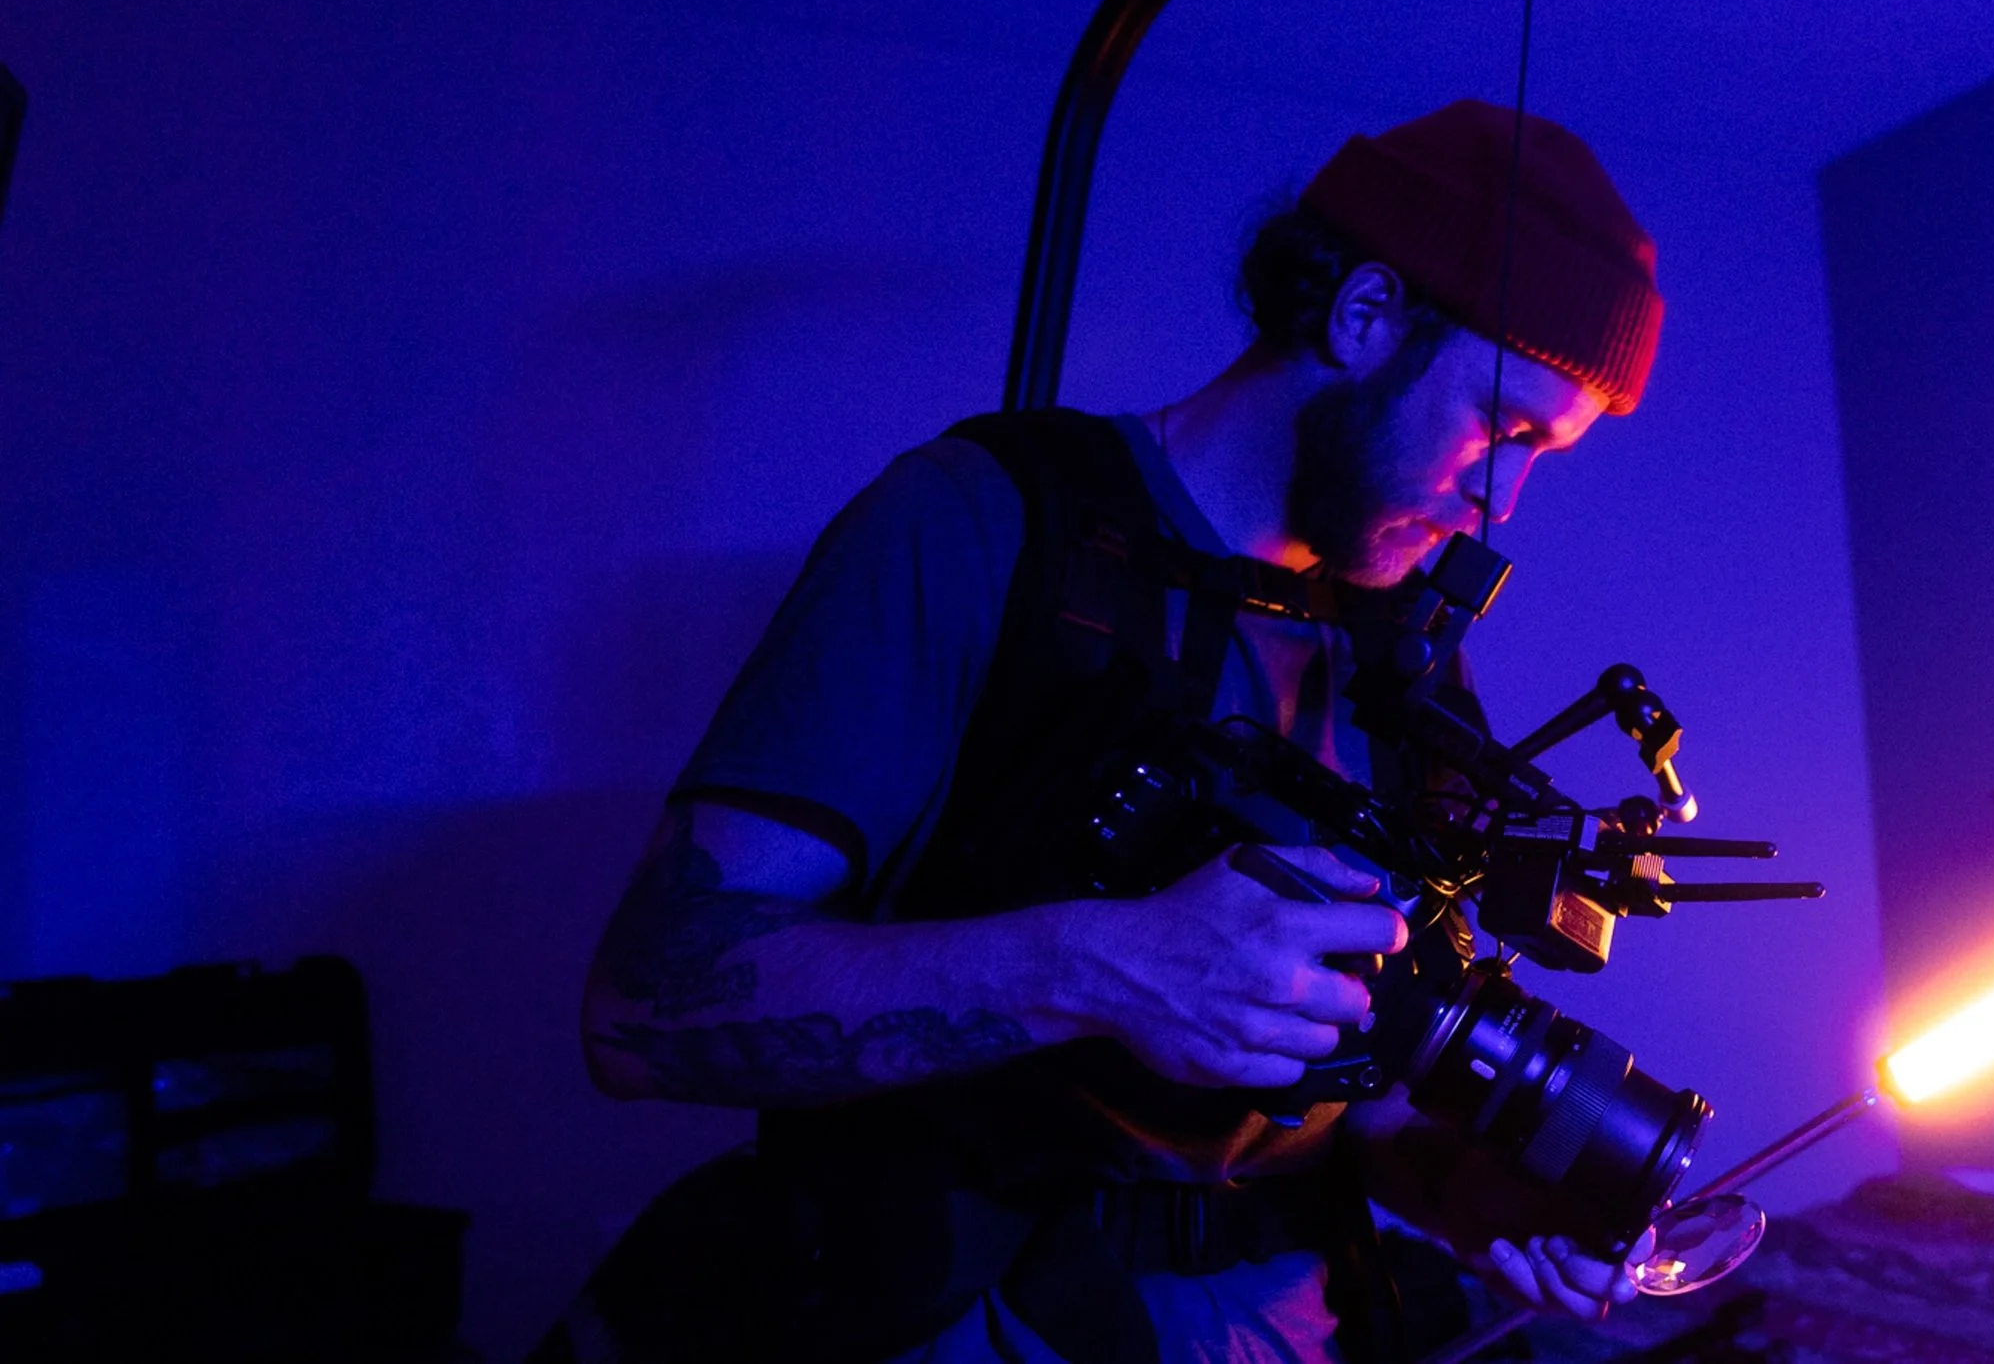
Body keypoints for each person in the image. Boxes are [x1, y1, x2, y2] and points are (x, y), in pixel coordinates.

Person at [536, 99, 1669, 1364]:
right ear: (1365, 315)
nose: (1498, 500)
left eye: (1543, 457)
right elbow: (639, 1005)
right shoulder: (979, 526)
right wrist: (1093, 967)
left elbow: (1345, 1091)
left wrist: (1484, 1196)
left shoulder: (1402, 654)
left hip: (1290, 1321)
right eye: (1503, 425)